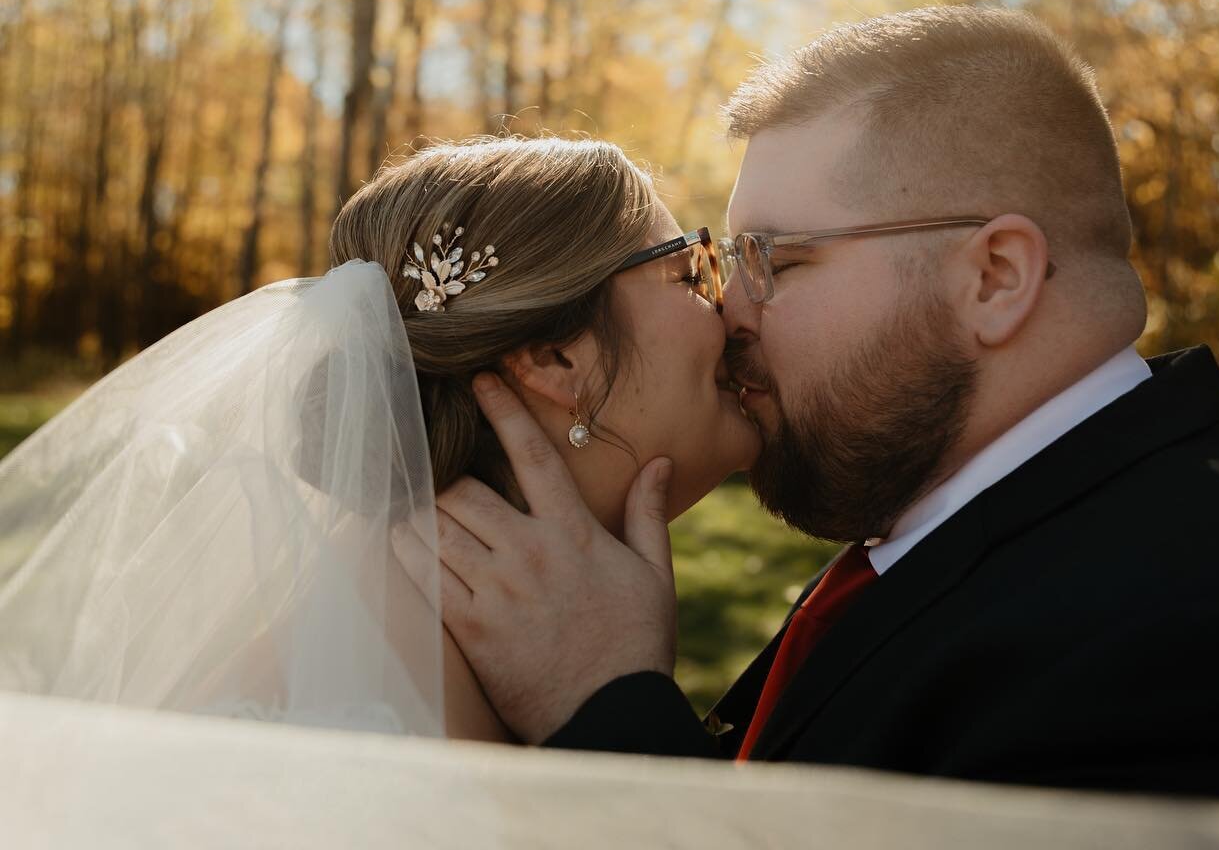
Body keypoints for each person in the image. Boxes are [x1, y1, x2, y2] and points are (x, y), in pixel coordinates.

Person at [412, 7, 1219, 825]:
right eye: (728, 264)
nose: (727, 312)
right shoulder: (941, 524)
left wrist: (610, 715)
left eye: (778, 260)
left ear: (993, 276)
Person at [0, 136, 757, 740]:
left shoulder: (388, 626)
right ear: (556, 357)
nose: (731, 304)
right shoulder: (388, 732)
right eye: (691, 270)